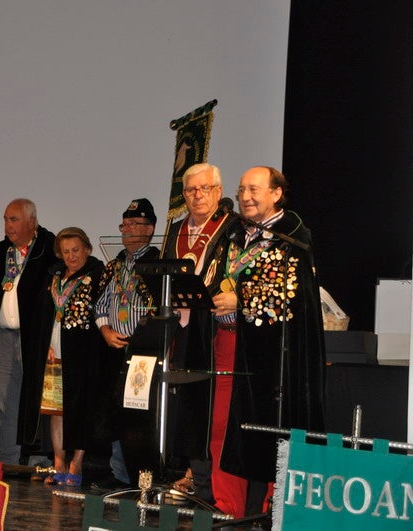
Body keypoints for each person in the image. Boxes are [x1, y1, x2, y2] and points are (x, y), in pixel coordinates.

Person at [213, 166, 325, 515]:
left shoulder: (292, 236)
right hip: (232, 343)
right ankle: (228, 505)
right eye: (242, 189)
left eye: (254, 189)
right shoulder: (235, 236)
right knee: (225, 427)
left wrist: (240, 300)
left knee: (277, 426)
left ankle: (275, 508)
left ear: (276, 193)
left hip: (276, 353)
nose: (245, 196)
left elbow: (290, 294)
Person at [161, 163, 245, 516]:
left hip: (214, 330)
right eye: (191, 190)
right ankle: (195, 478)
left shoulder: (233, 228)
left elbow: (238, 273)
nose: (197, 196)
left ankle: (212, 488)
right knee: (188, 410)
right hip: (179, 329)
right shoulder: (175, 230)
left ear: (217, 190)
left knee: (213, 413)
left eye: (204, 189)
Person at [0, 198, 57, 465]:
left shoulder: (48, 248)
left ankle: (38, 455)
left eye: (14, 219)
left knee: (37, 396)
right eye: (5, 219)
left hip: (34, 338)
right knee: (6, 399)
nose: (7, 225)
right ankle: (8, 459)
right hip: (3, 336)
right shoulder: (0, 251)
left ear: (31, 221)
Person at [92, 198, 160, 491]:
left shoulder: (159, 261)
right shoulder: (116, 263)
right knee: (116, 416)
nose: (127, 229)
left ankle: (142, 480)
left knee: (138, 420)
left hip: (145, 352)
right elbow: (100, 304)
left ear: (150, 229)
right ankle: (119, 475)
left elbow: (162, 306)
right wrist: (105, 329)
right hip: (115, 350)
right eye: (124, 224)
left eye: (134, 224)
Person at [28, 227, 104, 487]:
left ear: (87, 249)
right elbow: (42, 314)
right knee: (55, 411)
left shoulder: (98, 276)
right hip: (53, 351)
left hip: (83, 354)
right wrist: (44, 344)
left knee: (80, 409)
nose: (71, 256)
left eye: (76, 250)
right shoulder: (54, 277)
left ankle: (76, 464)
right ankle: (59, 463)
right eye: (66, 252)